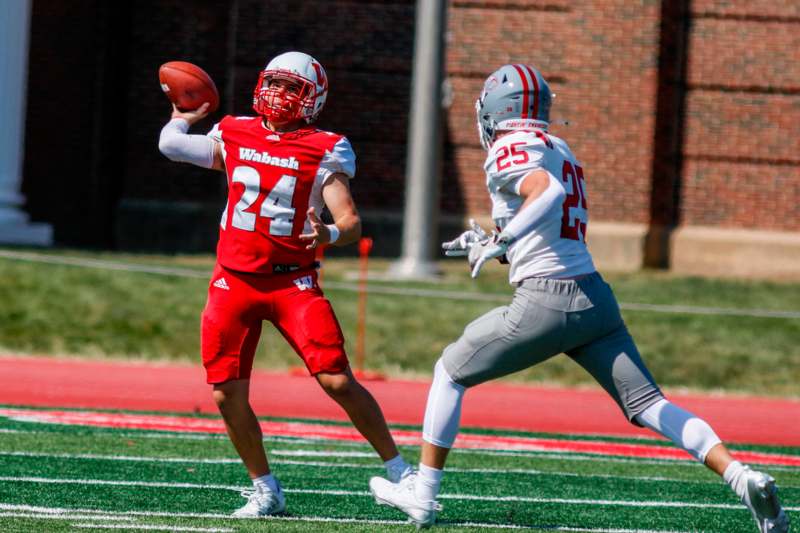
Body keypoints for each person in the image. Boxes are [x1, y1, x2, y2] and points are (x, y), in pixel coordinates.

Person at [368, 63, 789, 533]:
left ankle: (421, 494)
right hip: (594, 300)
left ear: (494, 111)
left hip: (545, 302)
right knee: (649, 405)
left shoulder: (509, 147)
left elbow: (545, 193)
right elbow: (550, 225)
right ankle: (740, 476)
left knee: (449, 371)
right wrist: (494, 241)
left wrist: (501, 239)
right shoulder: (560, 148)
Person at [158, 51, 411, 517]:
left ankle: (401, 472)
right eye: (274, 82)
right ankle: (265, 489)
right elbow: (172, 147)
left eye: (292, 87)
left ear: (312, 99)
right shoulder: (234, 130)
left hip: (291, 282)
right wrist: (183, 117)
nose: (279, 94)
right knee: (224, 392)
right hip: (233, 280)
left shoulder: (324, 145)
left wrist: (330, 234)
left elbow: (350, 221)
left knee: (336, 379)